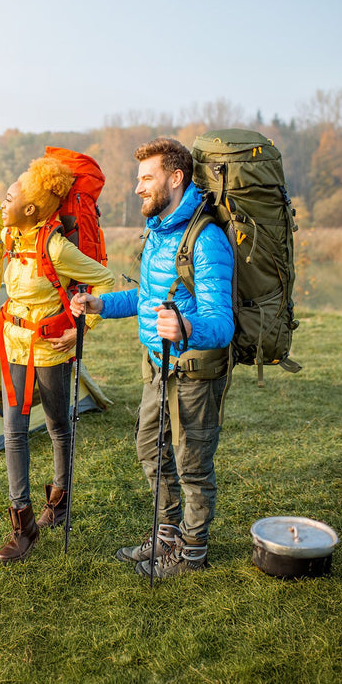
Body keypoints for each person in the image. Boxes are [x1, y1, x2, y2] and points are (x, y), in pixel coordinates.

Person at [71, 138, 234, 579]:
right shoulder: (160, 233)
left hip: (195, 372)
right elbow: (147, 298)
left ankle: (192, 554)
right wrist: (101, 305)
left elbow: (223, 323)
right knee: (149, 449)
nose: (137, 187)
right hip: (157, 366)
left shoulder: (207, 240)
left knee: (192, 464)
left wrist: (188, 328)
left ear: (175, 178)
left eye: (146, 178)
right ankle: (166, 539)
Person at [0, 156, 115, 564]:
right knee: (14, 430)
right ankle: (23, 524)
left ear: (30, 208)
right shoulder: (11, 235)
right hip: (13, 345)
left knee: (57, 424)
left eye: (8, 197)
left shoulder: (56, 246)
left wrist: (80, 331)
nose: (2, 202)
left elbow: (104, 279)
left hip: (49, 350)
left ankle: (59, 502)